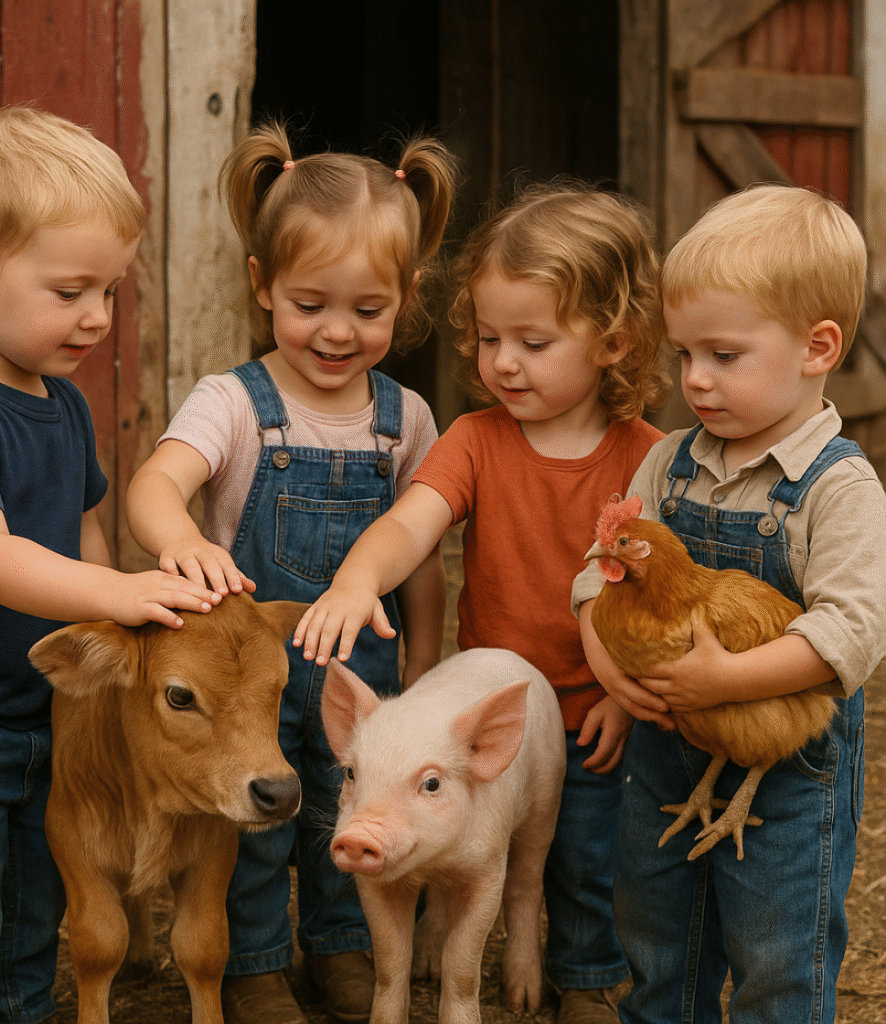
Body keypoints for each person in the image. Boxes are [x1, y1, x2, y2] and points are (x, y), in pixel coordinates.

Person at [0, 106, 217, 1024]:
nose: (98, 316)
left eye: (110, 292)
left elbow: (83, 532)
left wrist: (112, 634)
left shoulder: (60, 405)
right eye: (70, 291)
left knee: (32, 915)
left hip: (36, 710)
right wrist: (122, 591)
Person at [295, 182, 670, 1024]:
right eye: (492, 337)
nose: (504, 362)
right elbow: (410, 524)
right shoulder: (475, 440)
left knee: (588, 853)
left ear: (613, 342)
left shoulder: (652, 460)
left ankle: (584, 978)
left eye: (533, 342)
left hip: (597, 704)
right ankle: (440, 937)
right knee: (444, 822)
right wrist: (360, 578)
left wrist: (620, 692)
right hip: (479, 723)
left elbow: (658, 598)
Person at [125, 120, 457, 1024]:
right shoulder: (234, 402)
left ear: (408, 295)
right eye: (311, 303)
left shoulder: (406, 418)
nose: (338, 332)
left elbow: (419, 554)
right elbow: (155, 484)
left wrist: (425, 659)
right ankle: (256, 965)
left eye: (368, 310)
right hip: (251, 676)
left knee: (354, 810)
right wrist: (179, 539)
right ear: (261, 283)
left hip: (364, 671)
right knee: (255, 826)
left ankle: (344, 952)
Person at [573, 183, 886, 1024]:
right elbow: (595, 574)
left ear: (817, 347)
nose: (695, 380)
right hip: (670, 742)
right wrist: (611, 666)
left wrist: (726, 680)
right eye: (685, 356)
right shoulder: (669, 460)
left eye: (724, 355)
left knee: (776, 948)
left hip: (786, 759)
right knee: (654, 924)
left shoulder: (838, 488)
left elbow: (852, 631)